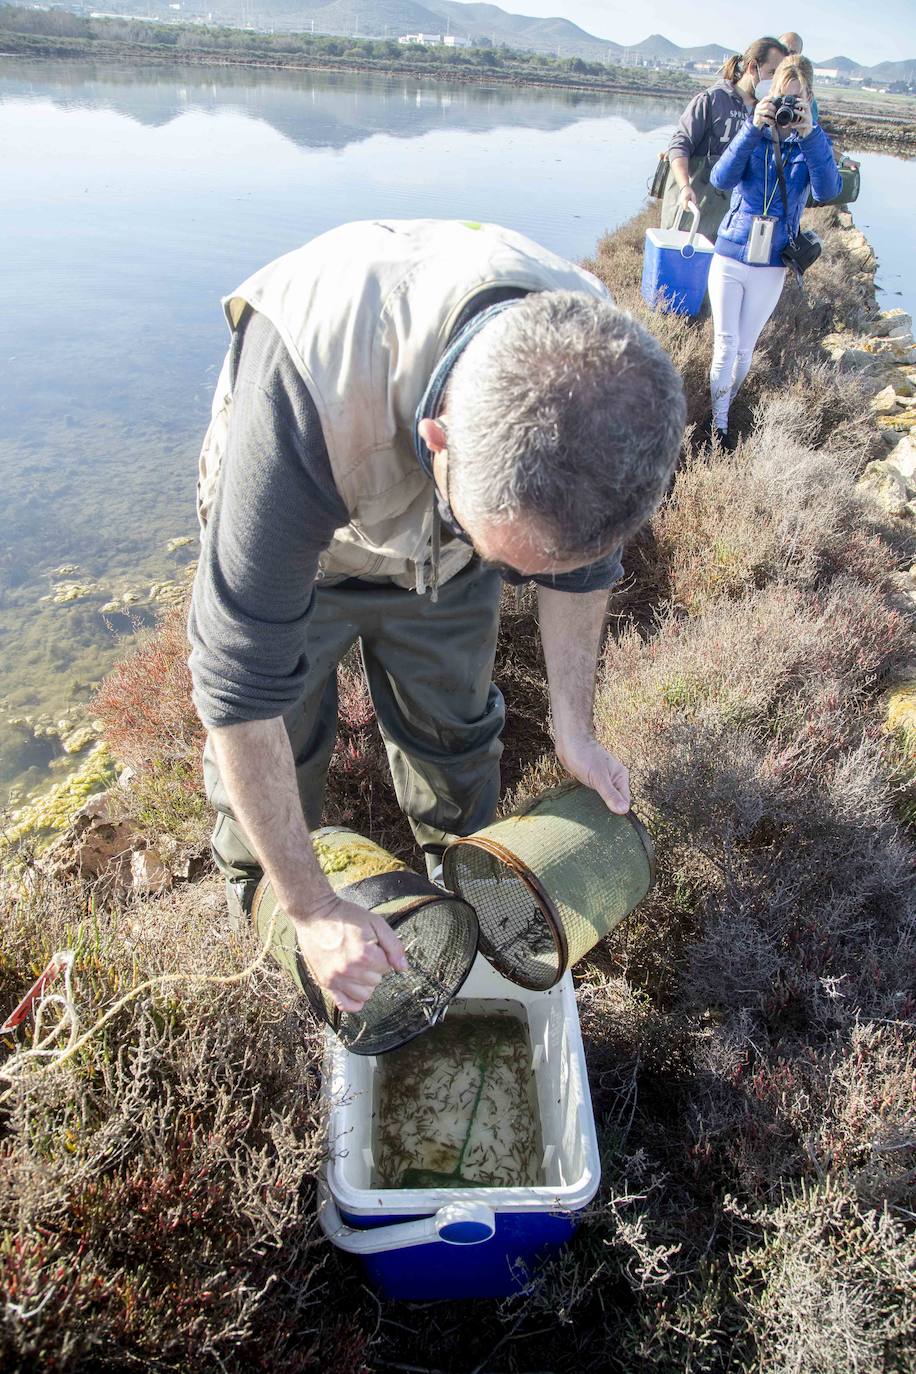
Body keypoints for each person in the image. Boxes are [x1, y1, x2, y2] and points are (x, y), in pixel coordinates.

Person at [188, 219, 686, 1015]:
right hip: (312, 545)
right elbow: (237, 691)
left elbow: (584, 567)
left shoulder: (607, 386)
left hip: (449, 550)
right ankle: (280, 927)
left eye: (532, 570)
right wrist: (314, 908)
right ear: (437, 442)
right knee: (285, 742)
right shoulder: (307, 380)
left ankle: (456, 900)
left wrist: (574, 728)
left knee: (454, 739)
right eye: (514, 560)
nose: (526, 585)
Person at [706, 56, 842, 445]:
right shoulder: (755, 134)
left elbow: (827, 191)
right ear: (770, 93)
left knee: (745, 349)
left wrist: (811, 133)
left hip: (770, 264)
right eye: (782, 97)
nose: (787, 107)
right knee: (726, 344)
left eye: (796, 101)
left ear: (809, 98)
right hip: (731, 253)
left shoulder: (811, 143)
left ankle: (726, 409)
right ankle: (719, 426)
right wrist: (753, 127)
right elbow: (721, 178)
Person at [661, 37, 788, 242]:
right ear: (752, 67)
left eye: (778, 76)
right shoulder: (712, 99)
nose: (774, 82)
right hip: (698, 206)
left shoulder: (769, 111)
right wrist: (685, 186)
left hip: (735, 218)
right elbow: (679, 145)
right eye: (771, 72)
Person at [777, 33, 819, 122]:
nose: (786, 56)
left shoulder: (806, 100)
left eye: (792, 53)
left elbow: (812, 125)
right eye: (782, 51)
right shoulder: (761, 83)